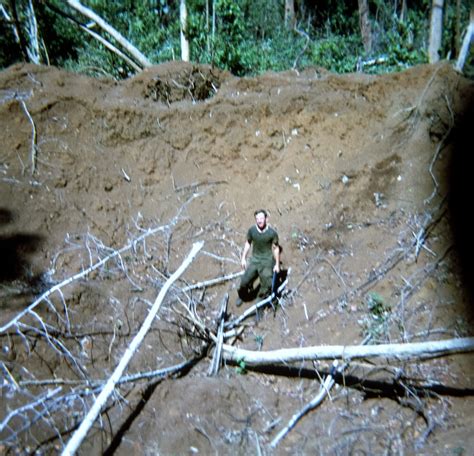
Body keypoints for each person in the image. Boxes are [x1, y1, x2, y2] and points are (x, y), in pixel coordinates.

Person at [236, 209, 280, 307]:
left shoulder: (272, 233)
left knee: (267, 283)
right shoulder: (252, 230)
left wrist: (277, 264)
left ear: (266, 219)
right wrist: (243, 258)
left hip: (267, 261)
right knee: (244, 281)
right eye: (257, 219)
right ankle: (243, 296)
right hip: (255, 259)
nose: (259, 220)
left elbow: (276, 248)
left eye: (261, 218)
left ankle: (260, 302)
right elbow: (248, 243)